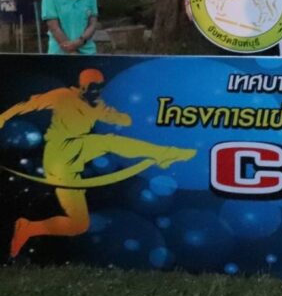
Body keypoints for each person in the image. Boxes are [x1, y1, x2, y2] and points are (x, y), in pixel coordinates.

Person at [0, 69, 195, 257]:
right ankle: (166, 154)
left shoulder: (97, 105)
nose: (96, 91)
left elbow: (119, 118)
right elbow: (28, 104)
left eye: (99, 87)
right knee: (107, 142)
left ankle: (29, 228)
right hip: (60, 151)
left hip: (73, 161)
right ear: (82, 85)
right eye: (93, 87)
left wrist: (132, 117)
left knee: (79, 225)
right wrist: (2, 118)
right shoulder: (63, 96)